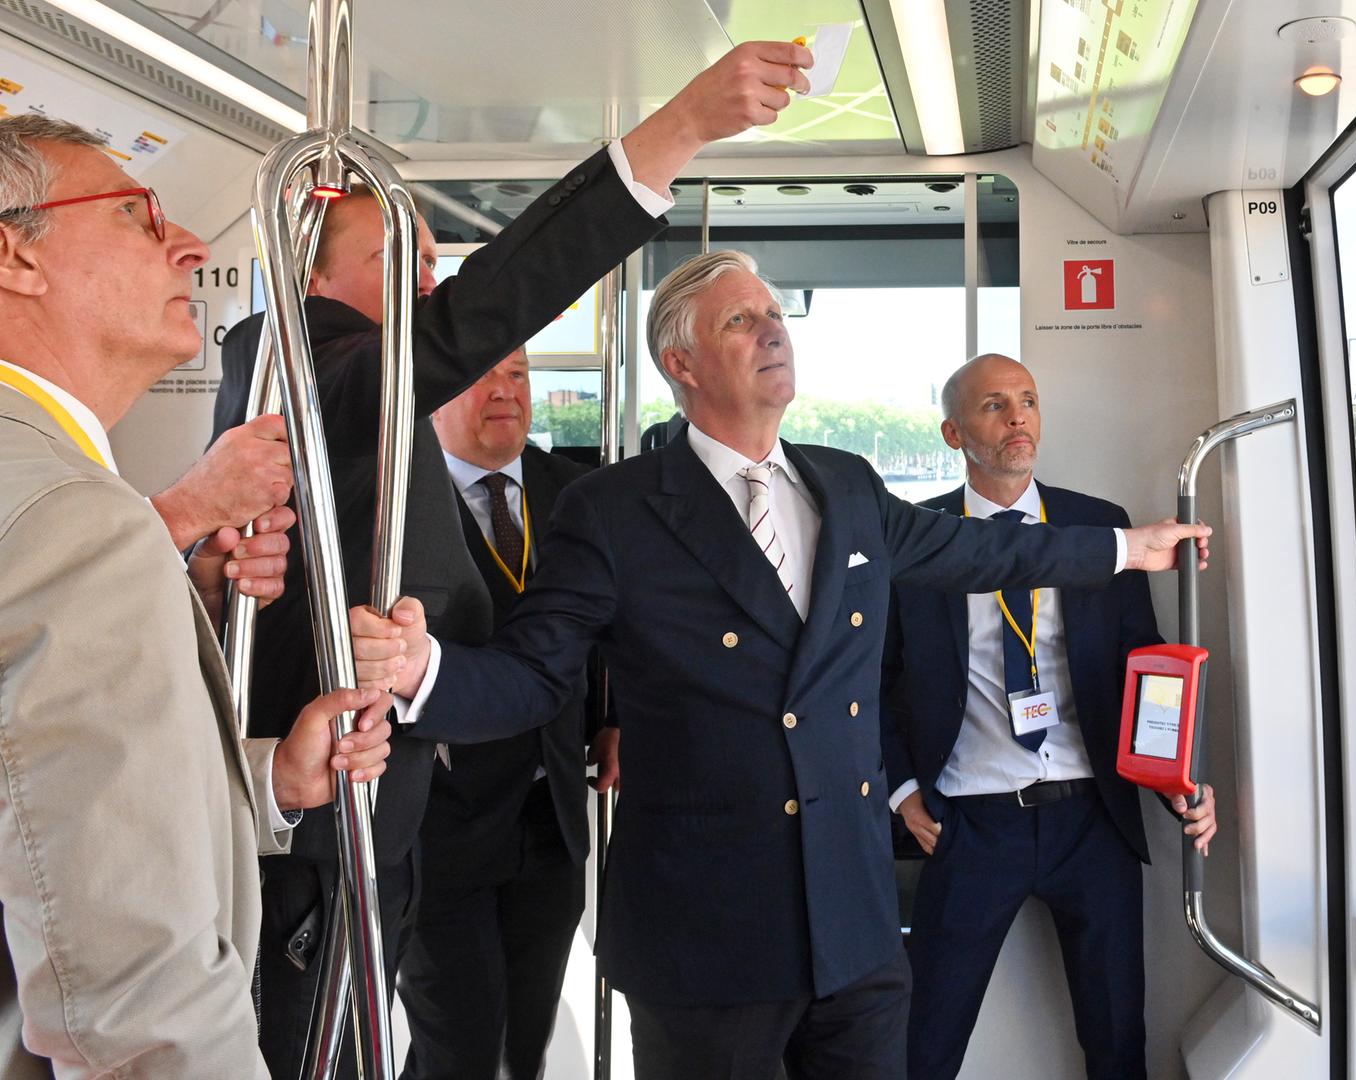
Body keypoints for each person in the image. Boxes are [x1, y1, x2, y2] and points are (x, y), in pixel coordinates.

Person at [349, 250, 1212, 1080]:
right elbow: (536, 673)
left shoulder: (847, 485)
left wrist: (1128, 549)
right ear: (680, 363)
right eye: (740, 319)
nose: (772, 331)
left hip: (854, 927)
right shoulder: (613, 510)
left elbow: (983, 553)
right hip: (706, 932)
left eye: (774, 314)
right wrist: (425, 670)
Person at [206, 42, 814, 1076]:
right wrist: (675, 134)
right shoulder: (308, 363)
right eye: (399, 260)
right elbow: (494, 300)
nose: (427, 286)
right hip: (330, 815)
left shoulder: (350, 390)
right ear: (310, 276)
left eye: (433, 266)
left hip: (385, 806)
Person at [0, 114, 394, 1078]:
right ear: (16, 255)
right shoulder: (73, 519)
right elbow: (136, 997)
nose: (186, 246)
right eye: (137, 216)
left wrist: (265, 781)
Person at [881, 354, 1219, 1079]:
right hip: (969, 823)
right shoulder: (919, 538)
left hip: (1091, 819)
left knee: (1116, 1038)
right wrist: (904, 792)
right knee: (922, 1040)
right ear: (953, 431)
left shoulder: (1099, 527)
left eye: (1028, 401)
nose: (1017, 418)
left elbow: (1145, 661)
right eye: (994, 405)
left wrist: (1178, 774)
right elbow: (875, 683)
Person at [395, 347, 604, 1079]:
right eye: (481, 372)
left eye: (517, 373)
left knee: (523, 1042)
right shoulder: (393, 500)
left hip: (548, 821)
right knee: (461, 1046)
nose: (505, 390)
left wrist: (613, 718)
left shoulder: (578, 495)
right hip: (435, 826)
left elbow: (608, 630)